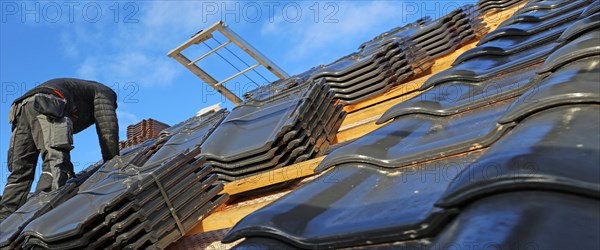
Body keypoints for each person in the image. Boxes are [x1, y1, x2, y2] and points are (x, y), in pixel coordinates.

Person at [0, 78, 119, 221]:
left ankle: (4, 221)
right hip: (48, 103)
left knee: (19, 172)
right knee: (55, 163)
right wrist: (112, 162)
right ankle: (41, 216)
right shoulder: (106, 93)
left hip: (21, 107)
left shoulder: (79, 92)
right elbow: (108, 127)